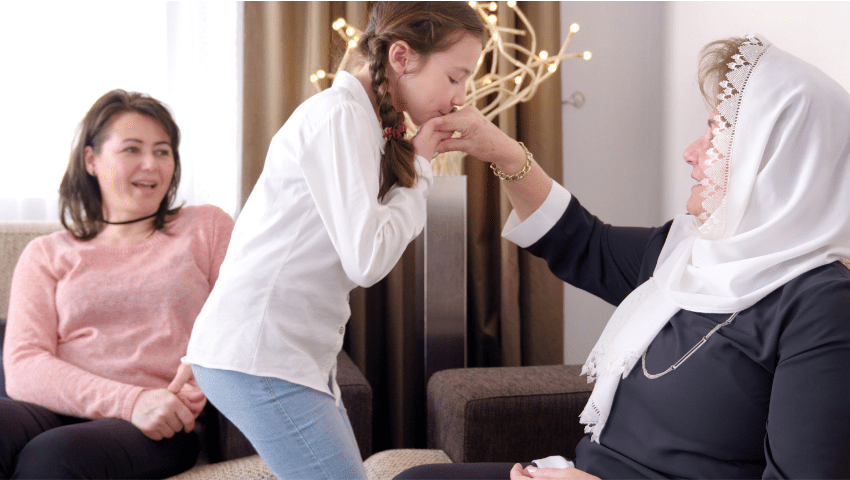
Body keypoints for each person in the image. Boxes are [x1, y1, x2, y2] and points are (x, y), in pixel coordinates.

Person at [397, 35, 850, 479]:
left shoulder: (823, 305)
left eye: (716, 134)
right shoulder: (688, 252)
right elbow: (580, 241)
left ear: (773, 160)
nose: (690, 153)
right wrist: (497, 148)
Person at [183, 2, 486, 479]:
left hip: (285, 355)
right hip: (262, 355)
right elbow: (368, 259)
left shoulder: (363, 120)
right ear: (401, 57)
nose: (460, 96)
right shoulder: (340, 117)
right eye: (454, 77)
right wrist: (422, 169)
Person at [1, 89, 234, 479]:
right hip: (59, 405)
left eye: (163, 151)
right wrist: (130, 401)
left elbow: (240, 322)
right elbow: (25, 365)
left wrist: (179, 391)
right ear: (91, 159)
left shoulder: (205, 227)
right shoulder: (46, 253)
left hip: (158, 421)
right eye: (132, 149)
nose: (152, 164)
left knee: (54, 457)